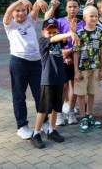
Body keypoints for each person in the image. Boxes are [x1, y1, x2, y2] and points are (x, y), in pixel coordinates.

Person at [3, 0, 49, 139]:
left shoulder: (30, 20)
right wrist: (21, 0)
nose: (21, 13)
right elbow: (7, 12)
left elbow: (35, 8)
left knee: (40, 95)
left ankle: (44, 122)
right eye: (17, 11)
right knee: (19, 96)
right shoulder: (10, 24)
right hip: (19, 64)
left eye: (23, 10)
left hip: (36, 63)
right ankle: (22, 126)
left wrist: (40, 0)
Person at [30, 18, 80, 149]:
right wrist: (69, 34)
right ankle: (36, 133)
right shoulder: (43, 41)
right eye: (49, 32)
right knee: (43, 109)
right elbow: (54, 40)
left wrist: (72, 31)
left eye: (55, 32)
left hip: (59, 79)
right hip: (47, 80)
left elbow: (63, 40)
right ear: (43, 32)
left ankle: (51, 130)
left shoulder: (58, 41)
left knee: (55, 108)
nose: (52, 34)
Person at [45, 0, 85, 126]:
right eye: (70, 7)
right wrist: (65, 55)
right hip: (63, 61)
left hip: (77, 62)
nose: (72, 9)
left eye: (75, 7)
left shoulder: (82, 24)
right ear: (66, 8)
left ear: (79, 8)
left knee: (75, 87)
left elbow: (83, 44)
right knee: (63, 88)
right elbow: (56, 41)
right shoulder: (60, 22)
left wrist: (73, 56)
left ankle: (71, 112)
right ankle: (60, 114)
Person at [73, 6, 102, 132]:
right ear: (84, 18)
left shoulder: (100, 32)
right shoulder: (79, 34)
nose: (94, 18)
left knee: (92, 92)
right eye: (91, 16)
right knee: (81, 93)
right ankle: (82, 117)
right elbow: (76, 53)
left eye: (96, 16)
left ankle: (89, 114)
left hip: (95, 68)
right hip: (82, 69)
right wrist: (76, 71)